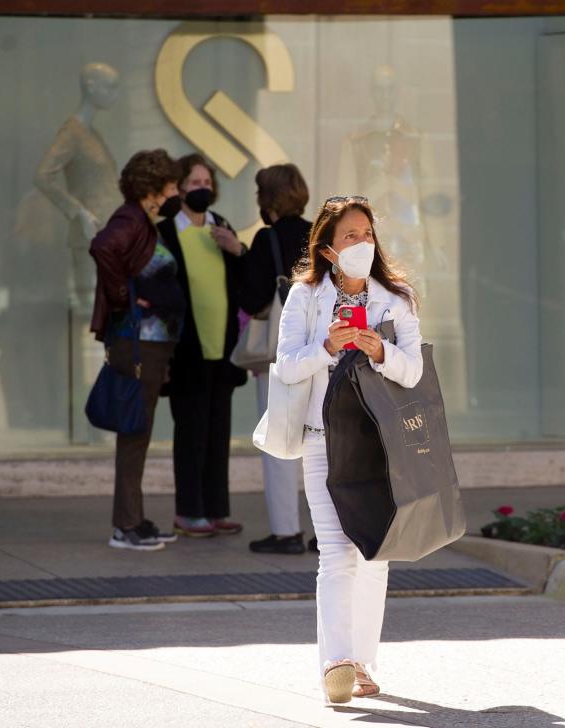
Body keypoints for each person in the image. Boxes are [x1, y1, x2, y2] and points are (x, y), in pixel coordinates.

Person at [275, 196, 423, 703]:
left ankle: (362, 660)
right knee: (337, 552)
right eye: (350, 237)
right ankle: (337, 661)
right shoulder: (305, 296)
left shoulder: (396, 298)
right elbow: (286, 367)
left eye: (367, 234)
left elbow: (415, 373)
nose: (362, 244)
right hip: (323, 441)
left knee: (375, 552)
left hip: (379, 444)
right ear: (330, 250)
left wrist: (381, 350)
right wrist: (328, 347)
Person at [89, 149, 186, 551]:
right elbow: (103, 247)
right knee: (134, 431)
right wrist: (120, 297)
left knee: (140, 431)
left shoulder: (145, 222)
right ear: (155, 186)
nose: (176, 191)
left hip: (151, 342)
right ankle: (125, 526)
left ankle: (133, 519)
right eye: (172, 184)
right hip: (138, 341)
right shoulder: (130, 218)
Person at [158, 153, 248, 538]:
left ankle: (216, 509)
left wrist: (237, 250)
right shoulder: (165, 231)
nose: (202, 189)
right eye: (195, 183)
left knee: (217, 433)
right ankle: (188, 511)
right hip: (187, 351)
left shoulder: (221, 226)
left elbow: (246, 280)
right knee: (190, 432)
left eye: (207, 183)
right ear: (178, 189)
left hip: (222, 350)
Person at [240, 164, 313, 555]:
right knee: (324, 447)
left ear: (266, 199)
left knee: (280, 444)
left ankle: (286, 532)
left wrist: (241, 259)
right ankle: (330, 533)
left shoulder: (266, 240)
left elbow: (251, 299)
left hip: (280, 356)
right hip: (323, 353)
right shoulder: (321, 235)